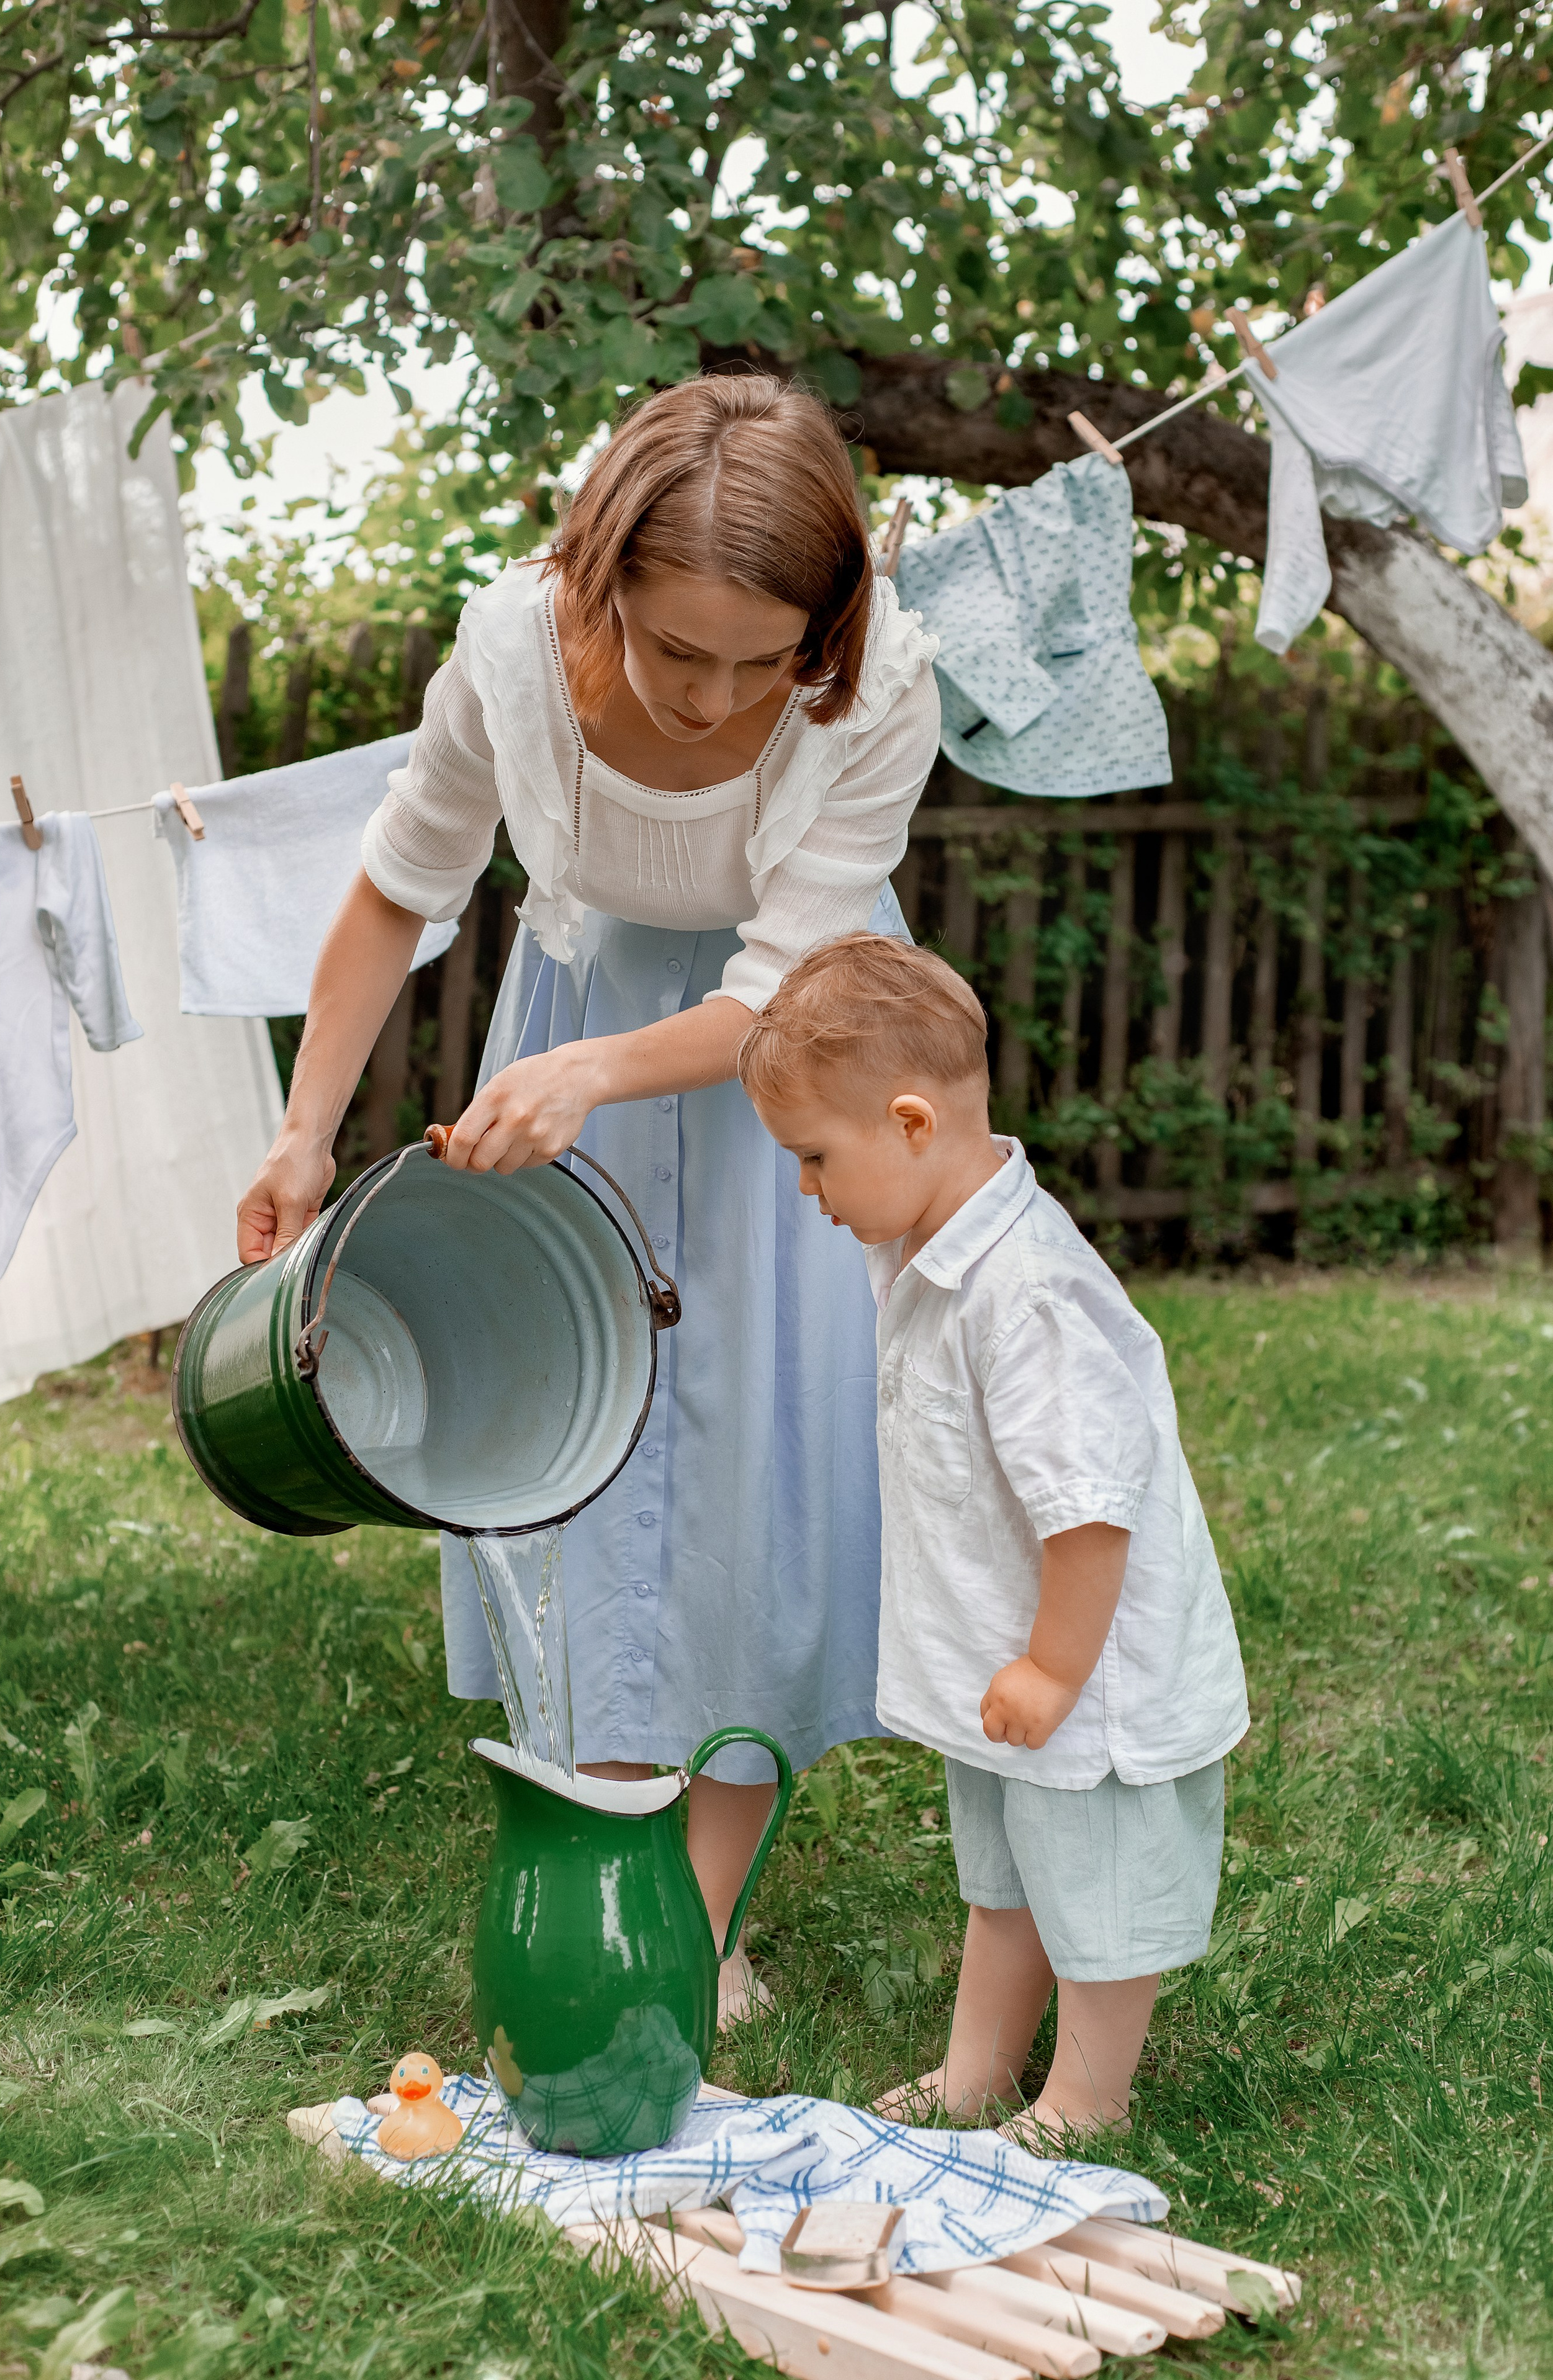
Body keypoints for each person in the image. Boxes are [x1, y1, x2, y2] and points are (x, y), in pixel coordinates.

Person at [235, 375, 940, 2022]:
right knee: (580, 1449)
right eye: (676, 647)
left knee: (764, 1458)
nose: (714, 695)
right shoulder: (506, 653)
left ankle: (703, 1917)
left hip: (798, 1055)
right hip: (582, 1030)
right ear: (597, 578)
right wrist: (302, 1131)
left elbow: (781, 987)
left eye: (762, 659)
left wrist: (603, 1076)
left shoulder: (882, 680)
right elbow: (400, 882)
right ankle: (609, 1860)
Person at [737, 934, 1249, 2137]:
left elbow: (1085, 1509)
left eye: (814, 1158)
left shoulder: (1025, 1293)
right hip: (1001, 1659)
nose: (805, 1189)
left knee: (1095, 1886)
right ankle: (977, 2069)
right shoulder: (923, 1250)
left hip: (1089, 1686)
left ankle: (1087, 2095)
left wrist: (1053, 1667)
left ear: (912, 1124)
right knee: (1006, 1876)